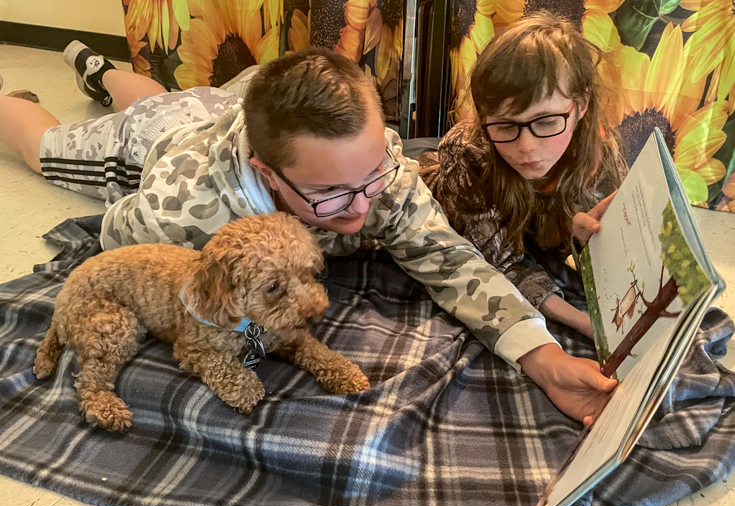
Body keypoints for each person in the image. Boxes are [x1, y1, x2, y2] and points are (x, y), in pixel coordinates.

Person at [0, 43, 617, 424]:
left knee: (171, 93)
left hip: (232, 99)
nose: (360, 210)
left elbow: (453, 262)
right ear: (267, 177)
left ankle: (101, 69)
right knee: (49, 147)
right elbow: (116, 240)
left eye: (374, 173)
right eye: (330, 194)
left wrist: (546, 360)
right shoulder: (176, 212)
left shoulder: (382, 177)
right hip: (155, 146)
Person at [419, 12, 626, 341]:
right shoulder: (467, 152)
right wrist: (586, 324)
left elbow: (611, 263)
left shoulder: (600, 155)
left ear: (581, 104)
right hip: (460, 208)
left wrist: (582, 236)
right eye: (505, 124)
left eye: (546, 122)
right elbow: (496, 263)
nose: (527, 148)